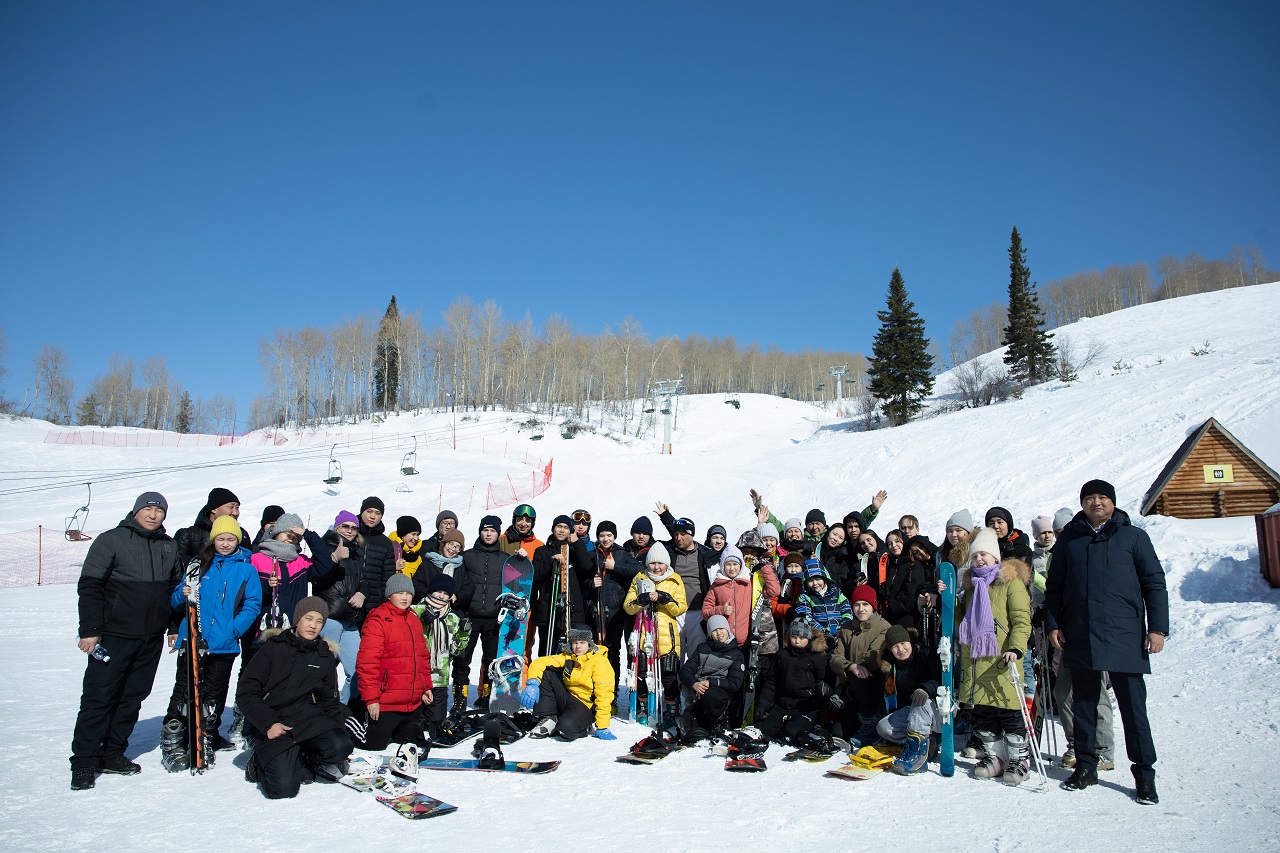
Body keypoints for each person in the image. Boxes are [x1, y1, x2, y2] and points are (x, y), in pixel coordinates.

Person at [1047, 479, 1169, 805]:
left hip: (1125, 637)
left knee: (1133, 711)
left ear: (1112, 502)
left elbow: (1154, 584)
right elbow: (1055, 589)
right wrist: (1054, 625)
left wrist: (1157, 628)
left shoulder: (1133, 537)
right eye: (1090, 498)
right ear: (1082, 503)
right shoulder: (1069, 541)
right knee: (1084, 706)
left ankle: (1144, 775)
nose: (1097, 502)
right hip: (1081, 635)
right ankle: (1086, 767)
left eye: (1103, 497)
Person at [70, 492, 181, 791]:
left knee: (133, 697)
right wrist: (90, 630)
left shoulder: (168, 546)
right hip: (114, 636)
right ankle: (83, 761)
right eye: (147, 508)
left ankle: (112, 753)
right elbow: (90, 586)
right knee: (99, 697)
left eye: (159, 510)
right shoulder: (111, 540)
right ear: (135, 511)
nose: (153, 515)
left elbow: (174, 589)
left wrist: (173, 625)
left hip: (150, 639)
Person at [159, 515, 261, 770]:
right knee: (184, 691)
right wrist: (180, 594)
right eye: (220, 539)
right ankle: (174, 739)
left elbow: (253, 604)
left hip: (224, 643)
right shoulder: (197, 565)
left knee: (214, 694)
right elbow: (175, 601)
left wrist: (233, 629)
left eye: (230, 539)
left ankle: (205, 736)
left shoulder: (246, 568)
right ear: (213, 539)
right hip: (193, 639)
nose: (225, 544)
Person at [238, 597, 354, 799]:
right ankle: (259, 762)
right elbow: (246, 692)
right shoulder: (274, 648)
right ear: (297, 619)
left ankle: (304, 755)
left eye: (319, 621)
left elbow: (329, 700)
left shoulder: (324, 655)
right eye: (309, 618)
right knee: (283, 789)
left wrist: (338, 736)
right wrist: (268, 724)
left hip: (307, 719)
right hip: (275, 722)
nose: (313, 625)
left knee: (341, 746)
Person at [956, 527, 1033, 785]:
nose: (979, 560)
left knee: (1009, 712)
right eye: (975, 556)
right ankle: (994, 757)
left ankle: (1019, 759)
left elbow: (1022, 621)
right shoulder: (970, 589)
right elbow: (960, 622)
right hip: (977, 662)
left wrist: (1016, 647)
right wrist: (945, 597)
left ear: (996, 557)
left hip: (1002, 660)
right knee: (985, 714)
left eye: (984, 555)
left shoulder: (1011, 584)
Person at [354, 573, 433, 751]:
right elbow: (367, 664)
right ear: (389, 595)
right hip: (385, 703)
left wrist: (425, 687)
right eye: (399, 593)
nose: (405, 597)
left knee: (412, 743)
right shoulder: (378, 620)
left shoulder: (414, 619)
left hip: (412, 704)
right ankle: (348, 717)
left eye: (408, 593)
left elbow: (422, 659)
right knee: (373, 745)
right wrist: (371, 699)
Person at [622, 543, 688, 727]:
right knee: (643, 673)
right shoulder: (639, 578)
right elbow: (628, 607)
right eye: (652, 564)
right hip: (644, 633)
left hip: (668, 634)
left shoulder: (675, 580)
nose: (656, 567)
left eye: (660, 564)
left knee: (669, 675)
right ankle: (644, 707)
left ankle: (671, 710)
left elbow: (681, 608)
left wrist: (666, 599)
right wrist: (639, 601)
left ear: (666, 564)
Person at [578, 519, 643, 698]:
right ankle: (594, 692)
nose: (605, 539)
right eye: (602, 535)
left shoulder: (621, 554)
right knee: (593, 652)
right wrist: (591, 583)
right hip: (594, 610)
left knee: (613, 652)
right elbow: (580, 578)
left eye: (609, 535)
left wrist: (616, 567)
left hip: (615, 612)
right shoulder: (593, 554)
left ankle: (611, 693)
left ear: (614, 536)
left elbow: (639, 569)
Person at [312, 511, 370, 703]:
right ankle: (320, 712)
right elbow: (317, 580)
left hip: (350, 619)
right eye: (345, 526)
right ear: (337, 527)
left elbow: (363, 579)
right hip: (330, 617)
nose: (349, 531)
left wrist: (362, 593)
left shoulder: (356, 552)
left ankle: (341, 711)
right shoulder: (324, 547)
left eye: (354, 528)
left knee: (358, 672)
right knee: (323, 671)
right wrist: (333, 559)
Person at [521, 627, 617, 741]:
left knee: (565, 729)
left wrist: (603, 725)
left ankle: (584, 727)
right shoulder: (568, 656)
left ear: (589, 644)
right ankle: (548, 718)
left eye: (582, 642)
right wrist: (533, 683)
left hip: (585, 705)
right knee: (546, 673)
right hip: (568, 697)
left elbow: (604, 695)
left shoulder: (599, 661)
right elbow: (540, 662)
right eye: (575, 642)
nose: (578, 646)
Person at [452, 515, 507, 712]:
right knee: (462, 658)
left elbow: (516, 582)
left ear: (498, 534)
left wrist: (521, 561)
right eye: (486, 530)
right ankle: (460, 698)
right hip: (470, 616)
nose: (489, 533)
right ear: (480, 531)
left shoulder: (504, 559)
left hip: (493, 618)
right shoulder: (467, 556)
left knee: (491, 660)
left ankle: (487, 696)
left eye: (493, 531)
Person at [410, 573, 471, 739]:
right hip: (415, 677)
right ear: (431, 591)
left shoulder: (453, 619)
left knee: (436, 724)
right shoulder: (415, 611)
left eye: (445, 593)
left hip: (439, 678)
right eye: (438, 591)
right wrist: (422, 619)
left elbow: (456, 651)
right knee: (412, 723)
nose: (441, 596)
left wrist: (464, 633)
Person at [755, 620, 834, 747]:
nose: (797, 641)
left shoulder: (817, 658)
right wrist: (763, 704)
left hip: (805, 709)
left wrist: (824, 692)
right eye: (794, 637)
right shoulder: (781, 655)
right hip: (781, 706)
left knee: (791, 734)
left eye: (802, 638)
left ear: (809, 638)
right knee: (762, 731)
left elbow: (826, 685)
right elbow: (771, 682)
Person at [875, 624, 941, 775]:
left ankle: (918, 757)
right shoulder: (892, 667)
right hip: (913, 711)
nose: (901, 649)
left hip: (935, 709)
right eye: (895, 646)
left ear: (910, 642)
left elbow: (942, 679)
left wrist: (926, 689)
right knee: (883, 727)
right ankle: (924, 743)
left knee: (919, 702)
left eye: (903, 644)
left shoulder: (926, 654)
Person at [830, 585, 890, 746]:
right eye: (857, 605)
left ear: (873, 606)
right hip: (850, 682)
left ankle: (870, 722)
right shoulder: (846, 628)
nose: (861, 609)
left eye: (865, 605)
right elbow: (836, 658)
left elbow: (873, 657)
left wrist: (856, 669)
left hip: (873, 684)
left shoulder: (883, 627)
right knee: (838, 733)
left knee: (862, 676)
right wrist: (850, 667)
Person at [676, 615, 745, 742]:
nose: (719, 633)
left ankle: (719, 722)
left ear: (727, 630)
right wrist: (694, 683)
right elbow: (685, 670)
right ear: (709, 633)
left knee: (711, 695)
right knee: (687, 720)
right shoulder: (702, 648)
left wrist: (711, 682)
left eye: (721, 629)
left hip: (720, 692)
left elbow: (735, 683)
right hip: (699, 691)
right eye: (714, 630)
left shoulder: (736, 654)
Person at [532, 515, 587, 656]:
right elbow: (535, 577)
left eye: (566, 527)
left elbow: (587, 568)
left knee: (572, 653)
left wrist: (578, 543)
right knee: (547, 651)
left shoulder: (574, 551)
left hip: (572, 611)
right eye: (559, 526)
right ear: (553, 528)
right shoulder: (541, 551)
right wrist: (551, 562)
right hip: (548, 611)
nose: (562, 530)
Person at [175, 487, 251, 566]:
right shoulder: (189, 535)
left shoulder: (242, 535)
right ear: (214, 509)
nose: (235, 513)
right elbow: (178, 569)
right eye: (231, 507)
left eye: (237, 508)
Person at [355, 497, 399, 611]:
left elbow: (387, 578)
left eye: (377, 513)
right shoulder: (351, 535)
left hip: (373, 604)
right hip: (348, 599)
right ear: (362, 512)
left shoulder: (385, 544)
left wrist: (383, 603)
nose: (373, 516)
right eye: (369, 511)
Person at [793, 560, 853, 638]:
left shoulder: (836, 592)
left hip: (841, 633)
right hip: (818, 635)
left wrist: (842, 627)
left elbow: (847, 610)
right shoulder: (805, 596)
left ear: (825, 578)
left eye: (818, 579)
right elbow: (805, 616)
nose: (815, 583)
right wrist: (823, 631)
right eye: (810, 581)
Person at [389, 515, 425, 579]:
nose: (416, 538)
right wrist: (393, 568)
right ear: (403, 535)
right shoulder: (389, 550)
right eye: (413, 534)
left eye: (418, 535)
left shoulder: (418, 558)